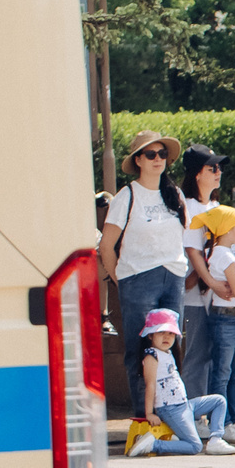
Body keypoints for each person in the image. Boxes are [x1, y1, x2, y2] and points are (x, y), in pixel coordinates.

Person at [101, 130, 191, 395]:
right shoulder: (126, 196)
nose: (158, 159)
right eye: (150, 154)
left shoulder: (175, 194)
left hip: (173, 276)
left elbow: (181, 238)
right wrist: (124, 281)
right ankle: (144, 417)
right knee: (141, 349)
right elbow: (106, 246)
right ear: (137, 160)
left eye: (162, 154)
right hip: (138, 278)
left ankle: (171, 414)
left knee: (172, 347)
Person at [187, 205, 235, 444]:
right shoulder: (225, 256)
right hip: (229, 319)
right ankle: (227, 422)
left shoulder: (219, 253)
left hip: (230, 319)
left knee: (230, 372)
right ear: (228, 229)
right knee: (226, 372)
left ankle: (231, 420)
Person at [124, 309, 234, 457]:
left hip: (185, 405)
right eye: (161, 332)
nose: (167, 337)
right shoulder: (152, 355)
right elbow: (150, 385)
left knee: (219, 401)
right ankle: (154, 444)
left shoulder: (168, 353)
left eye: (171, 333)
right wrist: (149, 413)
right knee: (195, 446)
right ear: (150, 335)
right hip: (170, 409)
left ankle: (216, 439)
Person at [176, 144, 226, 392]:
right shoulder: (186, 206)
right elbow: (191, 250)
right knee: (197, 351)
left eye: (219, 167)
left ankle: (209, 411)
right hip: (194, 293)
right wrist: (203, 276)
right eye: (212, 167)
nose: (218, 171)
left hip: (218, 293)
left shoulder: (216, 208)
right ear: (197, 173)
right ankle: (193, 411)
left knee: (215, 354)